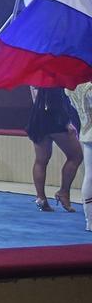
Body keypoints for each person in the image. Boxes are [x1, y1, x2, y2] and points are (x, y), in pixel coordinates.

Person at [26, 86, 83, 213]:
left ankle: (41, 198)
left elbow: (36, 96)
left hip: (38, 117)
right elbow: (55, 98)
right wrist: (66, 122)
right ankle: (64, 192)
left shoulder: (35, 72)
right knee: (76, 156)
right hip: (56, 118)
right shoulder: (53, 71)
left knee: (41, 160)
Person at [67, 81, 92, 230]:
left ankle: (90, 220)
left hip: (86, 132)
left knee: (89, 176)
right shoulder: (88, 87)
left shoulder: (72, 86)